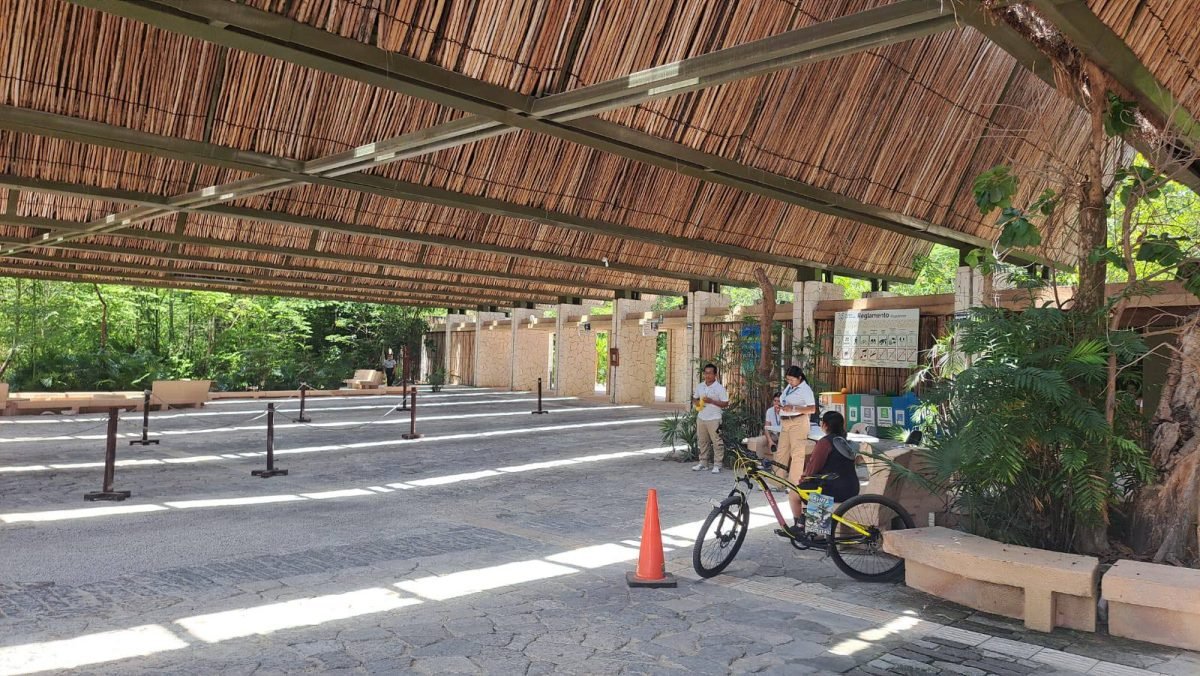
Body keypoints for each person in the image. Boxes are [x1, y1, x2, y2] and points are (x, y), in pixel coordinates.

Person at [788, 410, 861, 535]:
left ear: (825, 425)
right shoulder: (845, 441)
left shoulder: (825, 442)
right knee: (817, 485)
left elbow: (813, 467)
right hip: (852, 487)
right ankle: (814, 526)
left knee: (795, 493)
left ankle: (799, 526)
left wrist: (803, 480)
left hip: (834, 489)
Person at [777, 365, 817, 489]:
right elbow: (785, 399)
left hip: (798, 422)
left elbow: (812, 409)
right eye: (788, 380)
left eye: (792, 380)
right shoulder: (790, 387)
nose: (789, 382)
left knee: (797, 454)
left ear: (799, 378)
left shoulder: (805, 390)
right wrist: (781, 406)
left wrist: (794, 408)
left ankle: (793, 485)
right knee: (781, 452)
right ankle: (778, 482)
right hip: (786, 421)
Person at [691, 363, 729, 473]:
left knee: (717, 441)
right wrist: (697, 403)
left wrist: (711, 401)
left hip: (714, 418)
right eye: (706, 373)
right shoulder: (700, 386)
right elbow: (694, 399)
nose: (707, 376)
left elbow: (725, 403)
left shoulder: (719, 388)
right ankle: (703, 463)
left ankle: (717, 464)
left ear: (715, 374)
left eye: (710, 373)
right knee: (702, 441)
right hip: (701, 417)